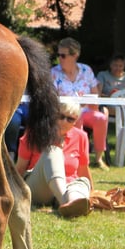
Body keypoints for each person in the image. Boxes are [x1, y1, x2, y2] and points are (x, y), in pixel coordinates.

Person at [15, 97, 93, 217]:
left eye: (70, 119)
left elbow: (83, 170)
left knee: (82, 182)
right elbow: (20, 168)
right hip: (40, 188)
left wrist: (91, 191)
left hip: (69, 184)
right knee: (53, 151)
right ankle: (66, 202)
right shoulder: (34, 134)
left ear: (75, 121)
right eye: (60, 116)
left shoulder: (81, 137)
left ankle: (74, 203)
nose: (64, 121)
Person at [51, 37, 110, 170]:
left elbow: (95, 94)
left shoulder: (86, 70)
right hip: (65, 112)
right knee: (75, 119)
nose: (59, 58)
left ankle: (99, 158)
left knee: (101, 118)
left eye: (63, 55)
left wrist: (90, 101)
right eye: (58, 54)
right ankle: (77, 157)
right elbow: (52, 98)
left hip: (86, 109)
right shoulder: (54, 73)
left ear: (75, 55)